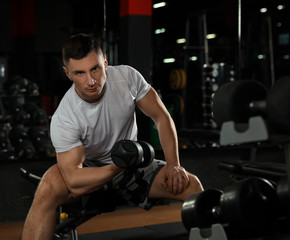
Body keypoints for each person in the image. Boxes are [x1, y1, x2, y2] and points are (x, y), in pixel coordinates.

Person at [21, 33, 204, 240]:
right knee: (48, 186)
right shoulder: (65, 117)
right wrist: (117, 165)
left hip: (133, 165)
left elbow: (161, 116)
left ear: (105, 62)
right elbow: (73, 179)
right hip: (94, 169)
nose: (91, 81)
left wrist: (174, 164)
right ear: (68, 74)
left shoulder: (127, 77)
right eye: (80, 73)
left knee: (192, 185)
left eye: (95, 69)